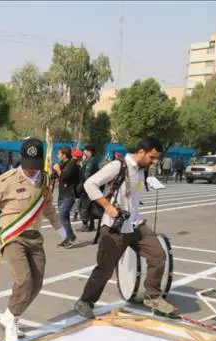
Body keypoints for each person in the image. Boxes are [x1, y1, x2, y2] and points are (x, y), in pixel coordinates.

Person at [0, 138, 65, 341]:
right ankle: (12, 322)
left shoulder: (44, 179)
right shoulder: (8, 180)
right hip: (13, 237)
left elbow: (47, 204)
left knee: (37, 283)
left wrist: (59, 226)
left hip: (34, 237)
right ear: (21, 160)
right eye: (27, 167)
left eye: (35, 167)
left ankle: (9, 314)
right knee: (24, 280)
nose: (31, 172)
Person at [73, 137, 174, 319]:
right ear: (141, 152)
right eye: (152, 157)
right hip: (114, 226)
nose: (154, 161)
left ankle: (153, 296)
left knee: (158, 255)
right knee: (105, 268)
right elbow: (90, 184)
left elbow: (131, 196)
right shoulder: (118, 166)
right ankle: (85, 301)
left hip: (135, 224)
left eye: (156, 158)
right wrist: (107, 206)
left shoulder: (142, 171)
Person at [52, 147, 80, 248]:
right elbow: (56, 176)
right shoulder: (62, 164)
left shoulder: (71, 165)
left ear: (64, 155)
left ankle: (70, 237)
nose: (57, 156)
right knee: (64, 217)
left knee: (62, 215)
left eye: (59, 154)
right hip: (62, 194)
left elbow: (64, 177)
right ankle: (67, 237)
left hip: (69, 195)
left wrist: (58, 170)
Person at [78, 144, 101, 232]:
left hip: (88, 187)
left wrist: (83, 186)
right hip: (93, 186)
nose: (84, 152)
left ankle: (85, 225)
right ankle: (91, 225)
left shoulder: (91, 161)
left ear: (89, 151)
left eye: (85, 150)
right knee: (90, 205)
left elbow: (87, 174)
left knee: (84, 205)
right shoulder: (94, 160)